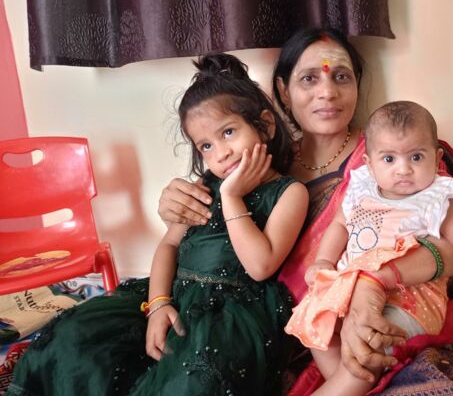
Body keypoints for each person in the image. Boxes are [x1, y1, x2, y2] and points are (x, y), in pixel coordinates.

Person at [157, 27, 453, 395]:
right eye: (309, 78)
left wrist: (377, 282)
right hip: (298, 332)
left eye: (341, 77)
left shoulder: (391, 157)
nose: (327, 92)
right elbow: (206, 230)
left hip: (390, 315)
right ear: (283, 90)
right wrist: (173, 204)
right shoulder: (257, 163)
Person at [7, 53, 309, 396]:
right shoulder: (205, 186)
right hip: (175, 293)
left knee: (193, 382)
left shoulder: (288, 193)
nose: (221, 153)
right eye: (206, 146)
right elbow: (169, 244)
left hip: (229, 317)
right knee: (73, 339)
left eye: (228, 132)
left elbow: (260, 266)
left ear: (266, 126)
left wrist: (232, 197)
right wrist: (159, 304)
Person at [285, 101, 453, 396]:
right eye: (389, 159)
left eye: (416, 157)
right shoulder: (361, 189)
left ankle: (340, 387)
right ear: (369, 164)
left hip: (409, 299)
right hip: (347, 287)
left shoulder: (436, 199)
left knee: (370, 343)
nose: (403, 169)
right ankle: (347, 381)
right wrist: (323, 261)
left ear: (436, 158)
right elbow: (339, 226)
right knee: (314, 324)